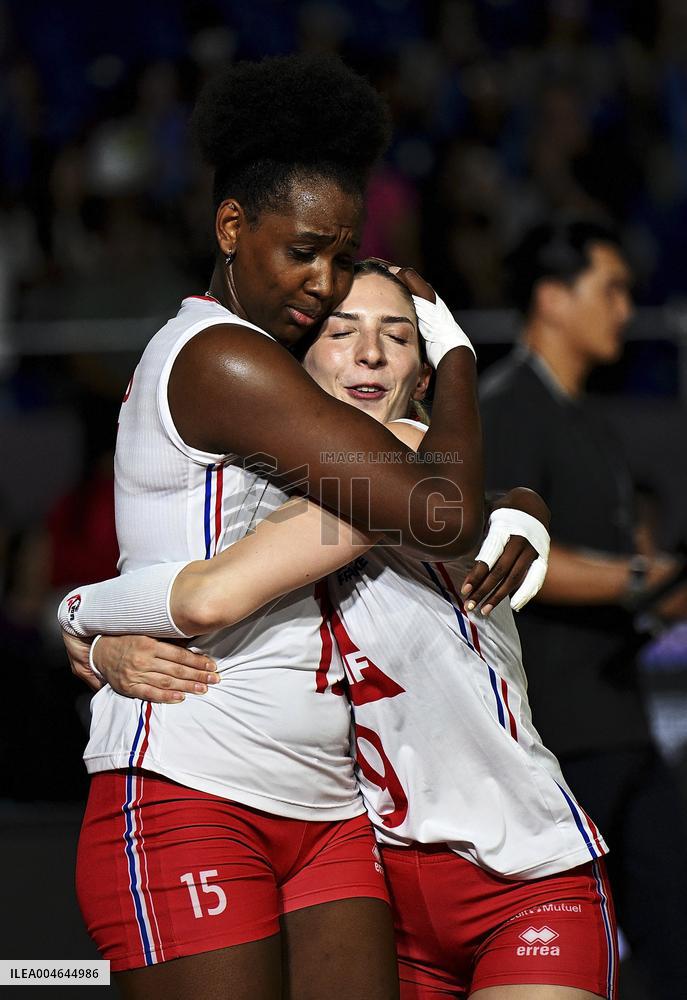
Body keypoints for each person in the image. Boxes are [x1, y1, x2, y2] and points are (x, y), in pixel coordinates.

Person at [53, 52, 498, 1000]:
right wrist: (455, 351)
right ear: (231, 227)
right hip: (189, 782)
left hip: (325, 799)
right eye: (303, 250)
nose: (325, 281)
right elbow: (445, 514)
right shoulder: (221, 359)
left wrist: (86, 618)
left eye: (342, 255)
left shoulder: (280, 368)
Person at [63, 261, 618, 1000]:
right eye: (341, 332)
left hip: (521, 868)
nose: (370, 353)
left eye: (399, 337)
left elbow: (212, 594)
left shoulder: (399, 474)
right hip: (378, 876)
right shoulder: (275, 493)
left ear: (422, 376)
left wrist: (80, 615)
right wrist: (106, 645)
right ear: (292, 370)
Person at [480, 219, 687, 1000]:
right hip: (553, 739)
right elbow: (505, 554)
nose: (626, 310)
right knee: (560, 953)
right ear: (552, 298)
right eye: (611, 290)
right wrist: (638, 577)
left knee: (670, 941)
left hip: (618, 722)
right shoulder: (505, 409)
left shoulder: (587, 418)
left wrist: (656, 592)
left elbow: (620, 566)